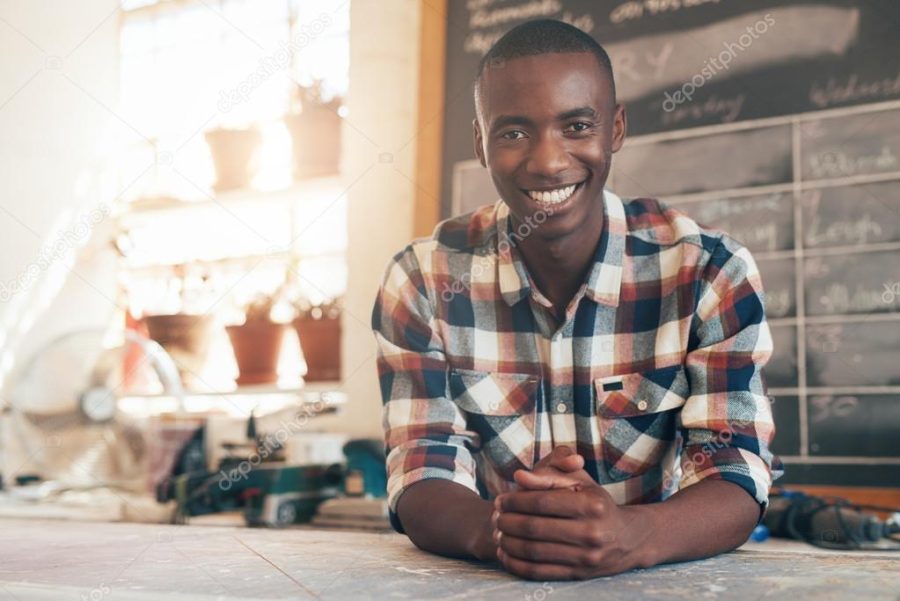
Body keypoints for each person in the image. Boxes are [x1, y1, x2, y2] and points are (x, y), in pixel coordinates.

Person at [372, 19, 781, 580]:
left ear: (614, 129)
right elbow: (421, 467)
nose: (547, 161)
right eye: (514, 132)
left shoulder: (709, 271)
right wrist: (501, 529)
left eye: (577, 126)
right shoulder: (422, 279)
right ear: (480, 142)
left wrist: (630, 535)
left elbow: (736, 473)